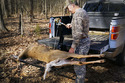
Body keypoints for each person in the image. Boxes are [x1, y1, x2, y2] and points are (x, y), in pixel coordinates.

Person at [64, 0, 90, 83]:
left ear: (72, 5)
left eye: (68, 8)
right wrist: (71, 25)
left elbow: (78, 33)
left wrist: (72, 47)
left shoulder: (78, 14)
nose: (69, 10)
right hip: (83, 41)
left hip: (81, 43)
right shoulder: (82, 11)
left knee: (79, 65)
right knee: (79, 64)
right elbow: (80, 25)